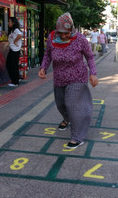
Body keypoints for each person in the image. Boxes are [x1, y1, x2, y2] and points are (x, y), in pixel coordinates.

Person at [38, 13, 98, 149]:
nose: (64, 36)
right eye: (61, 33)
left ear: (71, 29)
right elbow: (47, 54)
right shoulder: (52, 38)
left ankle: (78, 137)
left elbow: (90, 57)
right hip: (59, 78)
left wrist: (93, 73)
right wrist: (43, 68)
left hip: (77, 77)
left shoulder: (80, 39)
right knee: (60, 104)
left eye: (67, 33)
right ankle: (67, 118)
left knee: (72, 105)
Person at [6, 17, 22, 87]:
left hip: (15, 50)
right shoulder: (12, 31)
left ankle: (15, 81)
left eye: (9, 21)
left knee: (13, 65)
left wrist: (15, 41)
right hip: (12, 49)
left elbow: (20, 35)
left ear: (13, 23)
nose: (8, 23)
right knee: (10, 64)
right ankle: (15, 79)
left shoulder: (16, 30)